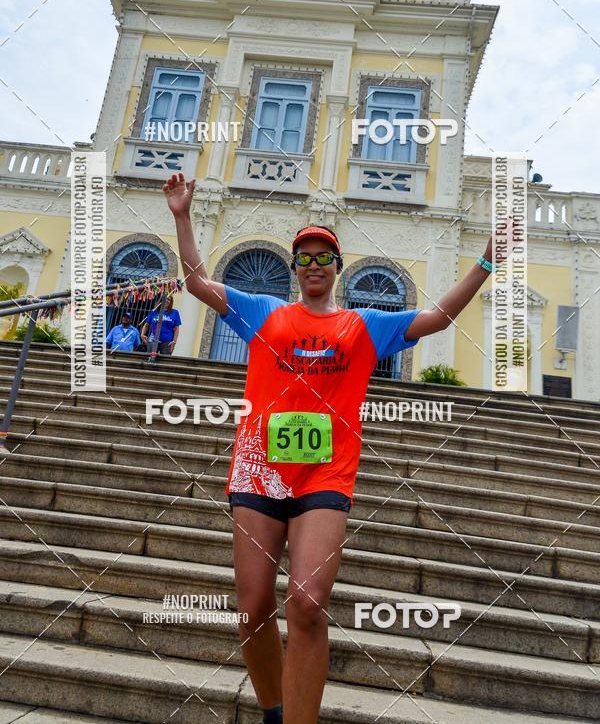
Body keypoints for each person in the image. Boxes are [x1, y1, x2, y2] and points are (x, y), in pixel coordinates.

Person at [163, 171, 503, 724]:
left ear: (337, 268)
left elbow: (438, 318)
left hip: (324, 478)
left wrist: (486, 262)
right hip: (259, 473)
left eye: (325, 257)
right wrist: (182, 217)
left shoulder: (363, 324)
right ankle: (274, 710)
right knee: (251, 610)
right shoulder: (263, 311)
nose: (315, 264)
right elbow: (199, 283)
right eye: (305, 257)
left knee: (307, 604)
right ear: (294, 269)